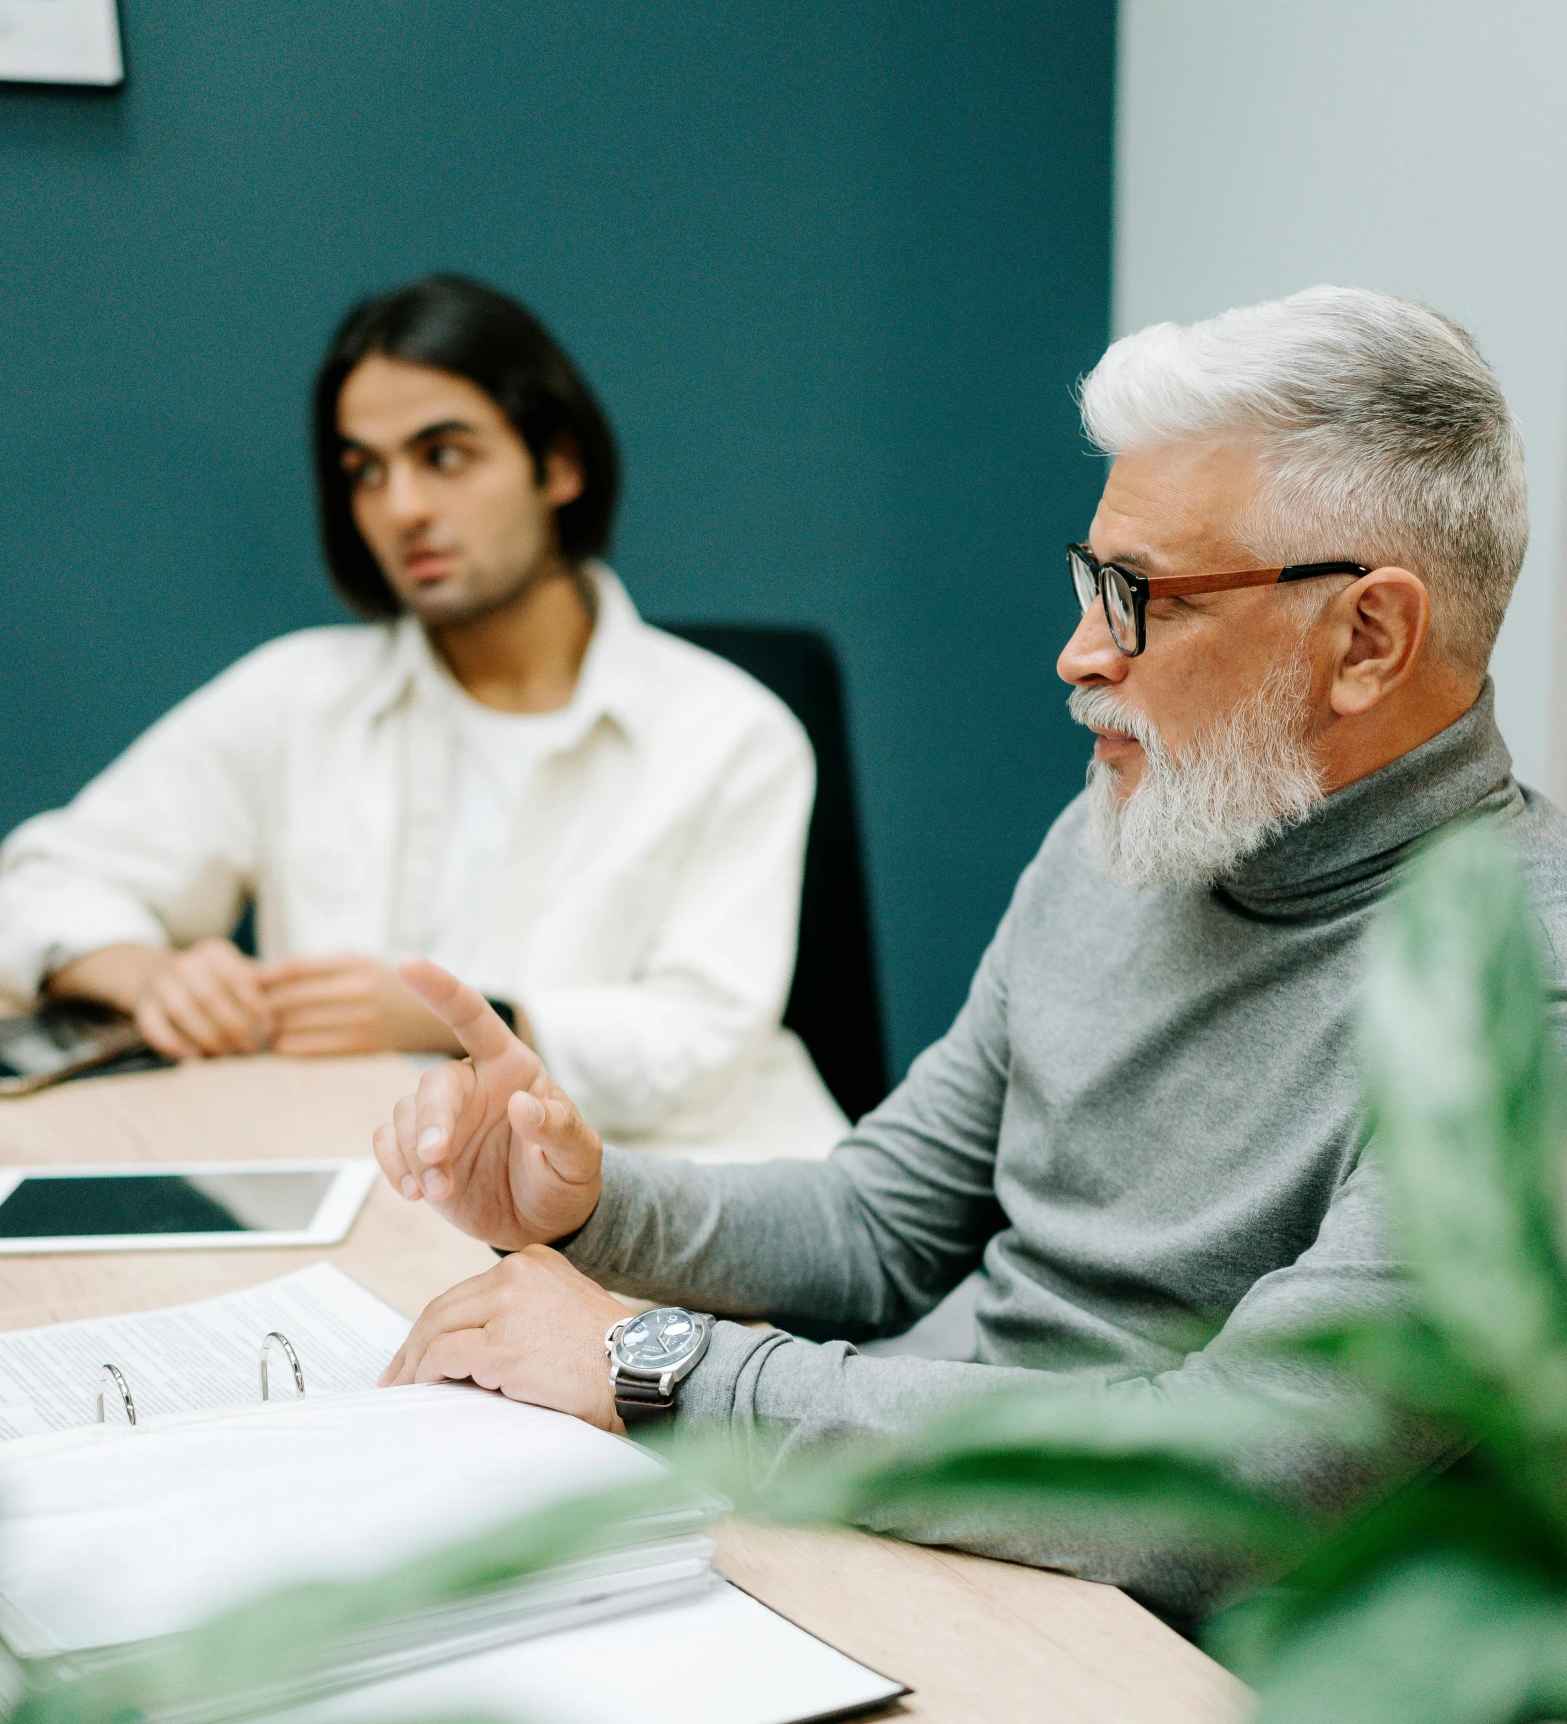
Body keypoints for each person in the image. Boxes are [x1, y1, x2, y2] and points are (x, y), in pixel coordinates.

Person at [368, 286, 1567, 1616]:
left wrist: (665, 1363)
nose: (1075, 654)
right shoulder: (1131, 822)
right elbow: (879, 1220)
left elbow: (1225, 1486)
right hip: (924, 1532)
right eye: (1085, 581)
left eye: (1137, 601)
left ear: (1366, 640)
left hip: (1167, 1658)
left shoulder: (1528, 1009)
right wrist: (587, 1207)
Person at [0, 276, 845, 1158]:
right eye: (365, 470)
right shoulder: (296, 697)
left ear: (557, 464)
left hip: (668, 1201)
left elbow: (703, 1043)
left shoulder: (730, 731)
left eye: (443, 455)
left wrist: (454, 1021)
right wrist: (151, 976)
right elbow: (41, 880)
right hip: (379, 1190)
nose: (401, 508)